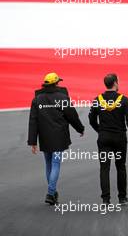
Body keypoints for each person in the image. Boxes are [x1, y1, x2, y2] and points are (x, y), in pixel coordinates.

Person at [28, 72, 85, 205]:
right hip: (59, 136)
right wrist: (80, 128)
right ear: (56, 83)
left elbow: (33, 121)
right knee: (55, 164)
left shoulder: (37, 99)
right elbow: (72, 116)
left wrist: (32, 141)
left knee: (49, 164)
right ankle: (50, 192)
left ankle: (52, 193)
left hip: (44, 136)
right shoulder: (63, 98)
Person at [88, 73, 128, 205]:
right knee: (121, 166)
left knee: (104, 168)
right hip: (119, 138)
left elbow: (91, 119)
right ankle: (122, 197)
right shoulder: (124, 100)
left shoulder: (97, 100)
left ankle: (105, 199)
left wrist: (100, 130)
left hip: (104, 138)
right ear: (115, 83)